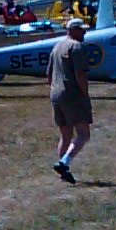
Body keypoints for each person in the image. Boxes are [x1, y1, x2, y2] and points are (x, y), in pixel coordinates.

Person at [46, 18, 93, 184]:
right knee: (83, 135)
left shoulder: (57, 46)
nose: (84, 32)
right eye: (81, 29)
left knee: (65, 135)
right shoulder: (76, 47)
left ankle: (63, 173)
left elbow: (49, 74)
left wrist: (54, 88)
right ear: (72, 30)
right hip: (72, 94)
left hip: (56, 94)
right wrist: (85, 94)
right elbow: (80, 74)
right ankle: (63, 163)